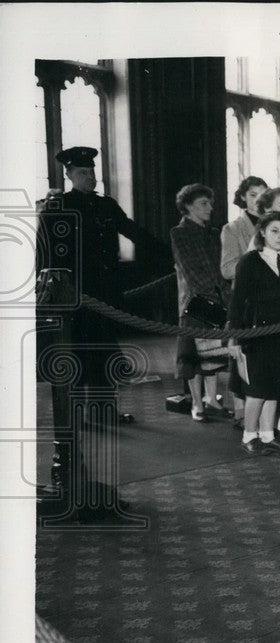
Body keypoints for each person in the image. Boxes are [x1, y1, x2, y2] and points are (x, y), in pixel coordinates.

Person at [35, 145, 158, 514]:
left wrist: (166, 256)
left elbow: (134, 232)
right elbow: (45, 255)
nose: (90, 176)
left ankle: (100, 413)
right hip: (72, 303)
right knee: (75, 365)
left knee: (104, 359)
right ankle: (76, 442)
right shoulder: (56, 208)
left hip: (105, 300)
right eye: (83, 172)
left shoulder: (106, 206)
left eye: (92, 171)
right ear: (69, 174)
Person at [227, 212, 280, 456]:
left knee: (274, 388)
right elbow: (237, 302)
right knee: (257, 390)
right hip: (256, 334)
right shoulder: (250, 261)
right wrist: (235, 337)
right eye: (275, 231)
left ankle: (268, 436)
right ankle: (249, 436)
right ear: (263, 233)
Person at [170, 184, 231, 423]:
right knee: (192, 355)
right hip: (195, 301)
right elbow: (191, 270)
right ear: (187, 207)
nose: (210, 208)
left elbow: (222, 267)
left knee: (214, 353)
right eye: (203, 203)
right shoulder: (180, 232)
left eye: (210, 203)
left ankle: (212, 400)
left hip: (219, 298)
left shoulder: (214, 232)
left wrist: (224, 295)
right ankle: (197, 403)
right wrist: (215, 294)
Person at [220, 175, 268, 428]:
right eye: (252, 194)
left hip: (270, 303)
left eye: (263, 194)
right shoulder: (233, 229)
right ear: (242, 198)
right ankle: (242, 413)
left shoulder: (276, 225)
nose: (258, 199)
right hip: (246, 302)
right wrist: (256, 262)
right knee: (242, 359)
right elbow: (227, 269)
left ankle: (269, 415)